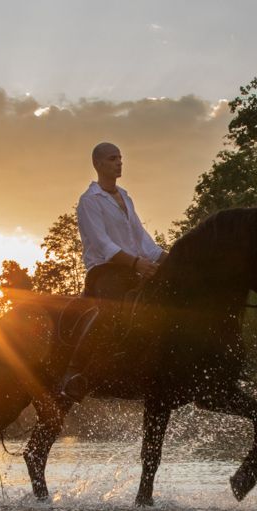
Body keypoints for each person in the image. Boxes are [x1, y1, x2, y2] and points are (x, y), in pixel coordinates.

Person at [59, 142, 167, 401]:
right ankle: (75, 372)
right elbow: (102, 244)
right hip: (105, 272)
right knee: (113, 309)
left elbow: (143, 241)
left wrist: (170, 259)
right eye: (112, 158)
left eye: (120, 158)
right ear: (98, 164)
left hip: (134, 269)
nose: (119, 162)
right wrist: (134, 263)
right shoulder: (89, 201)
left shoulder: (125, 197)